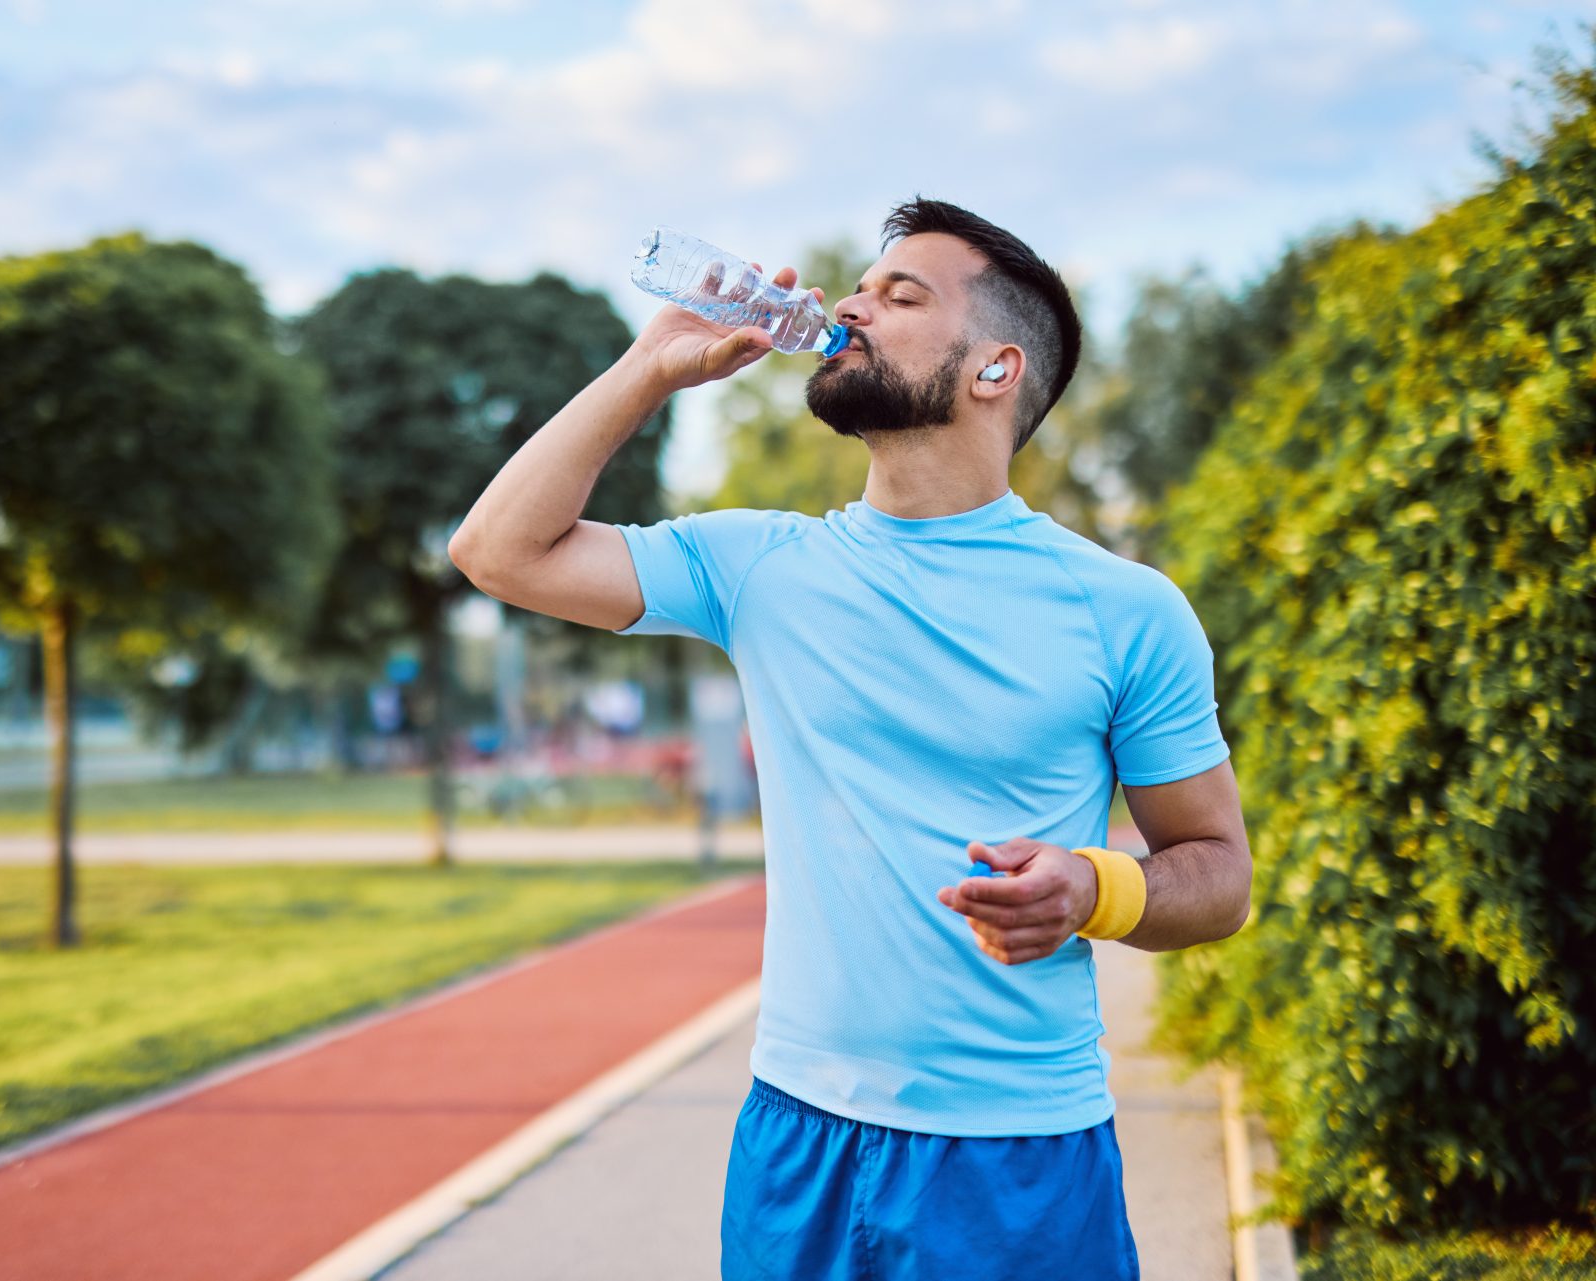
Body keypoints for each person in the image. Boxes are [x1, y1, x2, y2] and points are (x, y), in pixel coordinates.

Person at [447, 196, 1253, 1280]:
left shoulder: (1128, 611)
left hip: (1020, 1156)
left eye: (900, 293)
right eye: (865, 286)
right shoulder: (762, 566)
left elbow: (1220, 874)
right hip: (798, 1137)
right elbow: (498, 551)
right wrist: (650, 368)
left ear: (993, 370)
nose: (851, 304)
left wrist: (1092, 888)